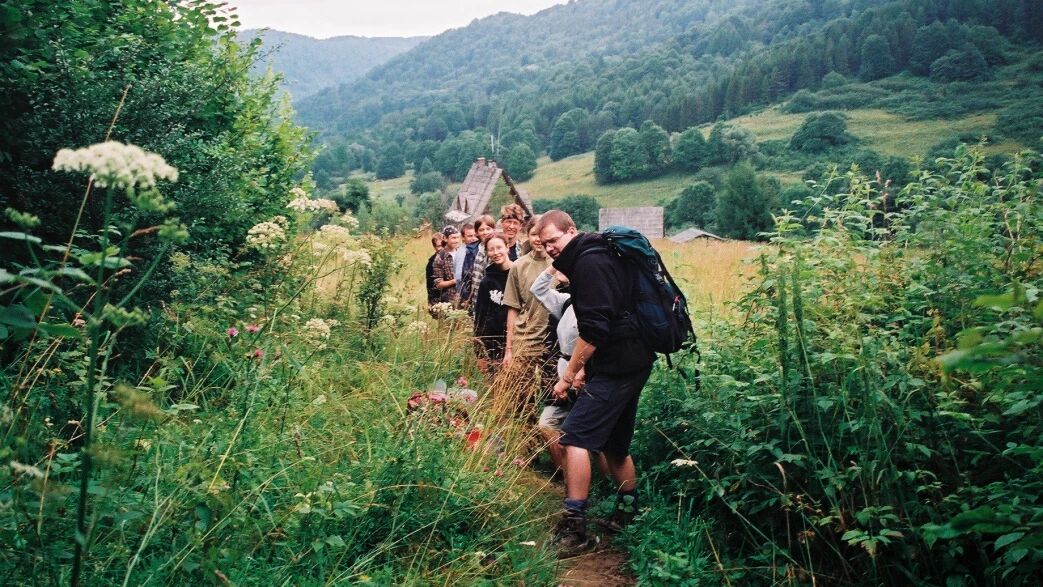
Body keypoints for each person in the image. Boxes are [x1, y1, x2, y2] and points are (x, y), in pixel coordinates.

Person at [536, 209, 656, 555]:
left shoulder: (589, 263)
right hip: (631, 359)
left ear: (571, 230)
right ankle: (628, 512)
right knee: (615, 446)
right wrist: (587, 369)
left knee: (575, 437)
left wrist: (569, 375)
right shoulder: (597, 253)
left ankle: (575, 529)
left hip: (619, 365)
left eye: (553, 240)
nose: (550, 248)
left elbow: (594, 331)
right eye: (544, 244)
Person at [501, 216, 554, 410]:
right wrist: (509, 350)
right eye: (534, 234)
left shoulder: (561, 263)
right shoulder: (519, 265)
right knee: (523, 400)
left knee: (553, 397)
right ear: (527, 236)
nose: (538, 239)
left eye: (542, 234)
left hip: (553, 342)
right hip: (525, 341)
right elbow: (512, 308)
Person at [473, 232, 513, 369]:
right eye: (491, 249)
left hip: (519, 340)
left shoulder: (519, 273)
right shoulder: (487, 282)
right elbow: (480, 318)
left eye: (499, 247)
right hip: (494, 345)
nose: (495, 253)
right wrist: (480, 353)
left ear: (507, 247)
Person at [432, 225, 465, 306]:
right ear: (445, 238)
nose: (457, 240)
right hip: (450, 299)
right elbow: (439, 284)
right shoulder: (440, 258)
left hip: (465, 297)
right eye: (453, 238)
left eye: (458, 237)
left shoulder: (463, 251)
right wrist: (454, 281)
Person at [459, 223, 483, 305]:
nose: (473, 238)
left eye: (475, 235)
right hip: (468, 295)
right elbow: (461, 278)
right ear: (463, 237)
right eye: (470, 236)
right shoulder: (462, 253)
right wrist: (465, 298)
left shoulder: (476, 248)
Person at [425, 233, 444, 306]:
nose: (442, 248)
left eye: (443, 245)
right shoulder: (431, 263)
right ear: (434, 247)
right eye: (439, 246)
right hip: (437, 299)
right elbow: (431, 287)